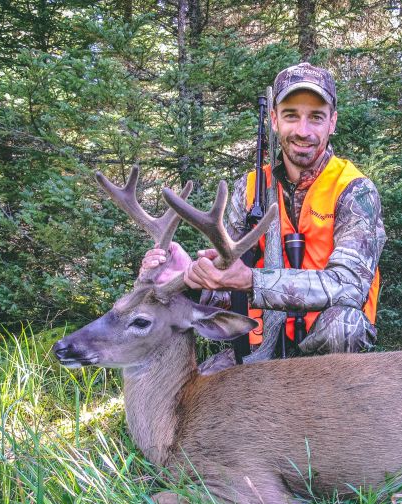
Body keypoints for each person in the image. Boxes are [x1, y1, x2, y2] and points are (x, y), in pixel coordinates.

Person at [142, 63, 386, 374]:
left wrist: (252, 280)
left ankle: (336, 419)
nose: (303, 130)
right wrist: (189, 280)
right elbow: (223, 291)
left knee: (345, 326)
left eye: (316, 117)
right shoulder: (250, 189)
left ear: (332, 123)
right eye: (291, 115)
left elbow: (350, 286)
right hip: (261, 349)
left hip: (326, 348)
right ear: (274, 119)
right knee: (197, 390)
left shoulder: (353, 189)